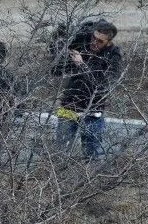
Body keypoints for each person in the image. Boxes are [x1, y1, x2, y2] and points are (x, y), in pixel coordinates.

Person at [51, 20, 121, 160]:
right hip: (69, 106)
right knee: (59, 154)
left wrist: (82, 65)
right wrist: (59, 42)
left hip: (93, 111)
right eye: (93, 38)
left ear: (109, 42)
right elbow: (55, 69)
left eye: (100, 41)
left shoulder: (113, 56)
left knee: (91, 156)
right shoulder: (82, 43)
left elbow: (102, 85)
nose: (94, 42)